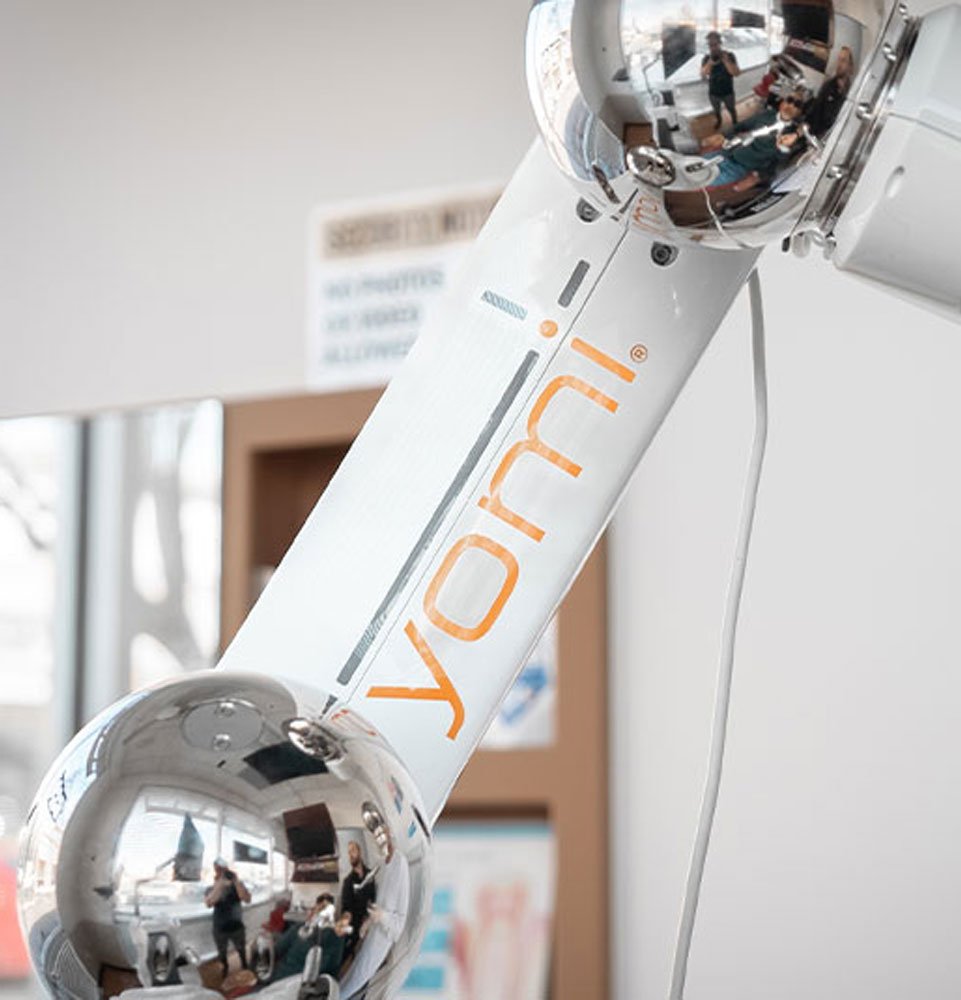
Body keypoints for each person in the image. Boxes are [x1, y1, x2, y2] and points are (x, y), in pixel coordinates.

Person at [338, 820, 410, 1000]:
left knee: (357, 981)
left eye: (354, 850)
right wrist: (368, 922)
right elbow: (359, 904)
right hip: (362, 933)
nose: (380, 839)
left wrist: (380, 916)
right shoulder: (379, 867)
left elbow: (396, 922)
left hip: (380, 940)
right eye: (377, 836)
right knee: (350, 975)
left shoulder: (399, 864)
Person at [700, 88, 808, 189]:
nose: (791, 105)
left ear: (799, 112)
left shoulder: (792, 136)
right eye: (789, 100)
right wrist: (723, 135)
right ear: (782, 102)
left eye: (797, 105)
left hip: (740, 167)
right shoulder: (767, 114)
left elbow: (779, 163)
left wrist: (758, 177)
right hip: (728, 152)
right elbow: (743, 125)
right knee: (696, 164)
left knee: (701, 179)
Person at [204, 857, 251, 979]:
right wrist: (220, 885)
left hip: (237, 926)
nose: (222, 873)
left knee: (241, 950)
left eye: (223, 870)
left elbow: (247, 899)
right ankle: (225, 967)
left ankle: (245, 966)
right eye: (218, 870)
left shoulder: (237, 886)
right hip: (220, 927)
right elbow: (209, 903)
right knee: (222, 953)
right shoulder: (211, 888)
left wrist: (236, 882)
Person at [806, 46, 855, 136]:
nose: (839, 64)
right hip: (822, 136)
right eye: (838, 60)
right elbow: (815, 113)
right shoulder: (827, 87)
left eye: (843, 60)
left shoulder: (853, 91)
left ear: (850, 66)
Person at [340, 840, 376, 961]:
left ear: (359, 852)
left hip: (370, 923)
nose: (351, 855)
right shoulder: (348, 882)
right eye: (349, 852)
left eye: (353, 850)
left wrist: (369, 917)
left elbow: (373, 898)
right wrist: (346, 920)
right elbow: (346, 907)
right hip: (354, 927)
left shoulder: (370, 875)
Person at [700, 31, 741, 130]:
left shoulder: (729, 55)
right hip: (713, 93)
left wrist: (726, 61)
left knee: (731, 109)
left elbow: (736, 73)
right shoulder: (706, 58)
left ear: (720, 43)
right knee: (716, 110)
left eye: (715, 44)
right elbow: (703, 74)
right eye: (710, 45)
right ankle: (719, 121)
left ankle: (735, 121)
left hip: (728, 92)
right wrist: (710, 63)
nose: (713, 47)